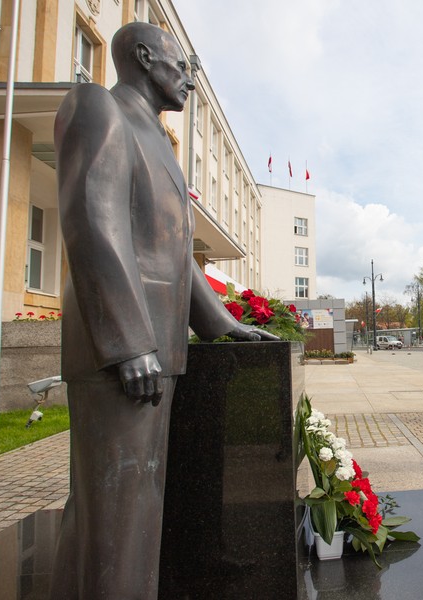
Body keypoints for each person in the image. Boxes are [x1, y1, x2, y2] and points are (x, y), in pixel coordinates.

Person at [50, 22, 276, 600]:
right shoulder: (97, 107)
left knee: (124, 503)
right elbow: (92, 223)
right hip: (124, 350)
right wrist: (128, 342)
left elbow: (173, 251)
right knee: (120, 507)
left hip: (154, 346)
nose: (190, 82)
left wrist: (221, 323)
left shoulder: (155, 137)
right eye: (184, 66)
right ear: (147, 57)